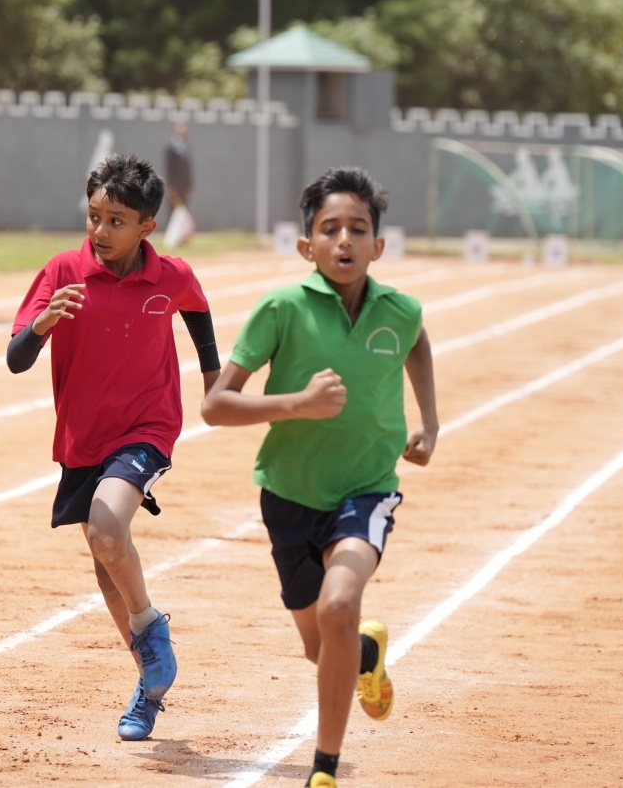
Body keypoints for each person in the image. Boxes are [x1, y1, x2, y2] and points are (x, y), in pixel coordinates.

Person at [200, 167, 438, 788]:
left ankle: (324, 769)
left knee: (339, 604)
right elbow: (215, 406)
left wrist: (429, 421)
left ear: (378, 245)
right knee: (322, 644)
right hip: (288, 494)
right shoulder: (281, 308)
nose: (344, 240)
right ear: (307, 246)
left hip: (367, 490)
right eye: (330, 229)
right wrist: (297, 405)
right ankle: (365, 652)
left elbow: (416, 341)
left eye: (358, 229)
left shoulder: (399, 310)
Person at [5, 154, 221, 742]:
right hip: (83, 435)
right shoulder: (63, 270)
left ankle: (150, 627)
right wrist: (42, 325)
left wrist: (213, 378)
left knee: (106, 528)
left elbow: (197, 308)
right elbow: (17, 359)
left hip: (147, 425)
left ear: (148, 226)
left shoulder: (169, 275)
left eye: (116, 221)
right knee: (107, 564)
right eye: (94, 216)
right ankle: (150, 684)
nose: (100, 230)